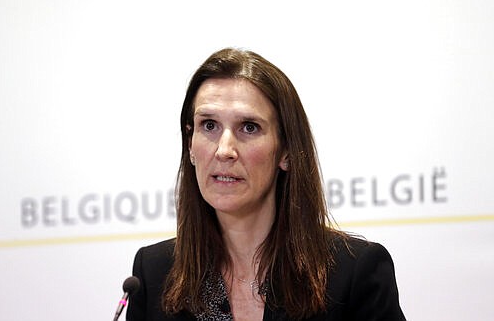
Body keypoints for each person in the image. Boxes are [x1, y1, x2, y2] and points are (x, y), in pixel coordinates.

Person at [126, 48, 406, 320]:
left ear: (285, 151)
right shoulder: (153, 273)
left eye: (249, 127)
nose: (224, 149)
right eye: (209, 125)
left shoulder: (354, 272)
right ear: (190, 144)